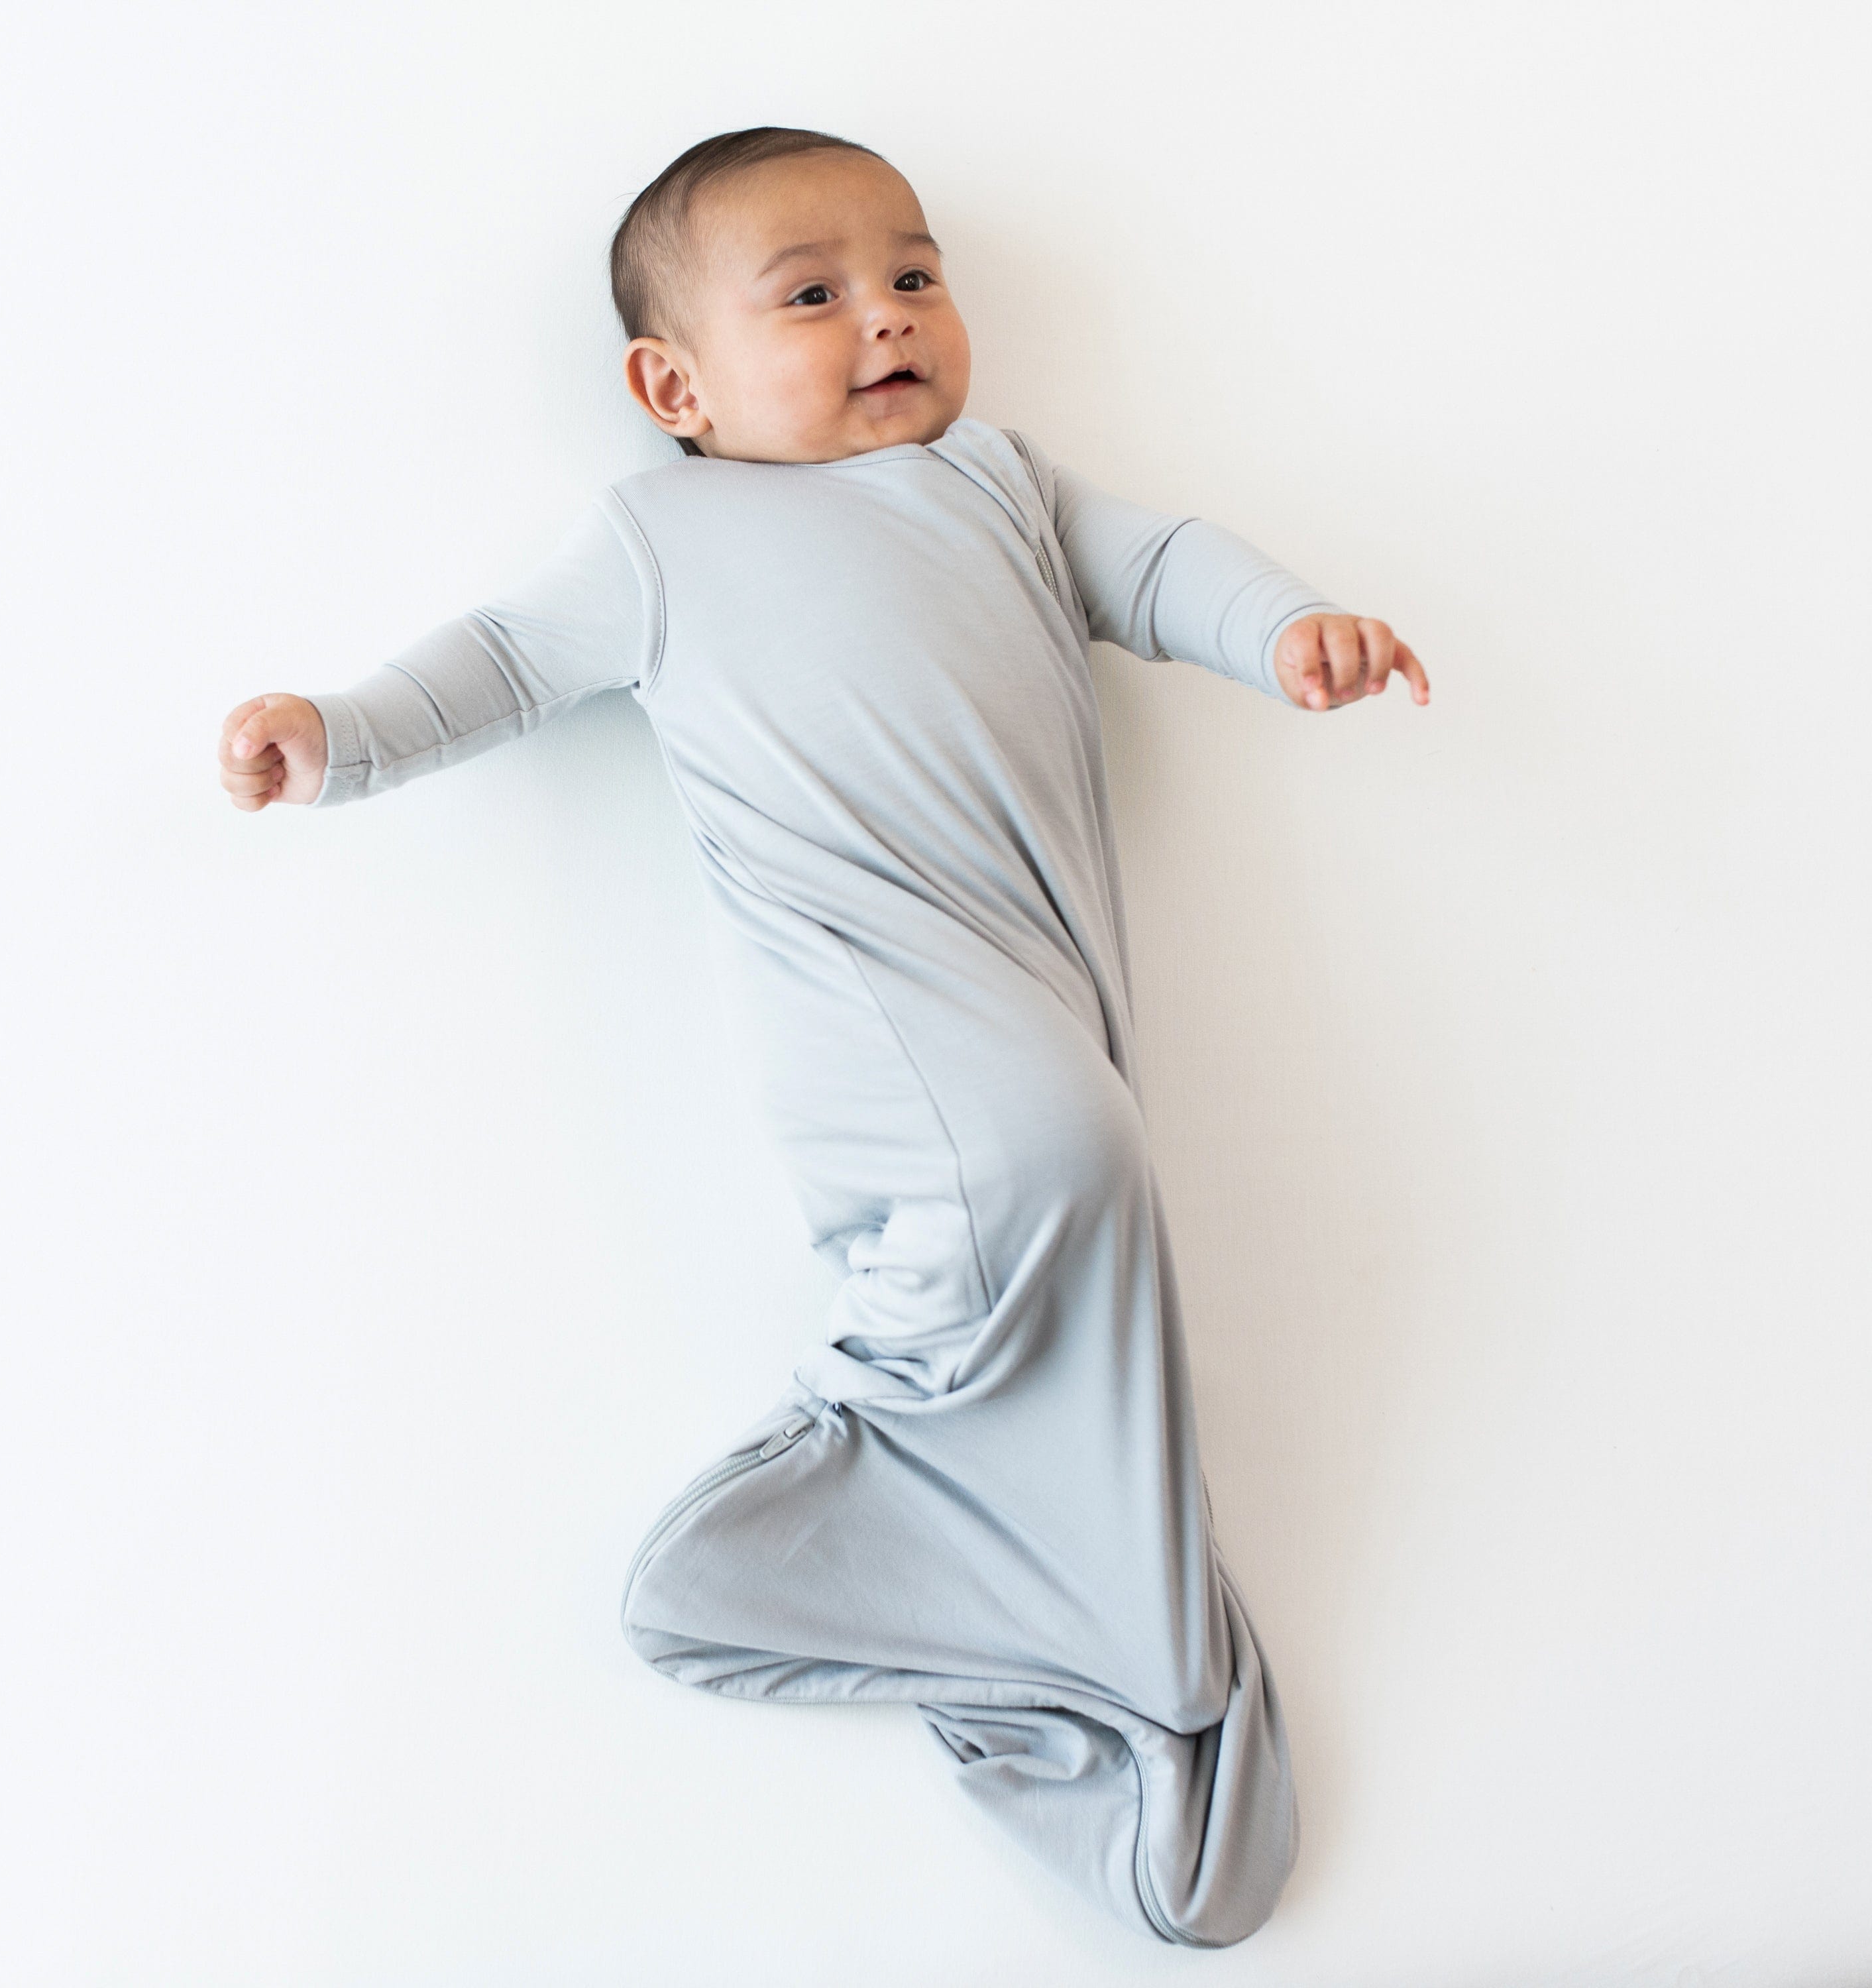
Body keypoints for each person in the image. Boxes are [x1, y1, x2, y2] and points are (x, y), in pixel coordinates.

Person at [213, 127, 1429, 1946]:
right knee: (1051, 1169)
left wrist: (1287, 629)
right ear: (673, 386)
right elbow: (501, 660)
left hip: (1030, 973)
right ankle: (933, 1502)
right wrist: (336, 731)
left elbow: (1162, 565)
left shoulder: (1004, 482)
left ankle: (991, 1579)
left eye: (917, 276)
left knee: (1098, 1253)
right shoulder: (663, 532)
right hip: (868, 1001)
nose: (890, 319)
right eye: (816, 294)